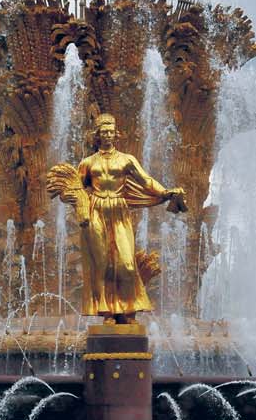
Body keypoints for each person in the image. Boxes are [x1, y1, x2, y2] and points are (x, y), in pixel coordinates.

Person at [50, 113, 184, 324]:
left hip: (119, 209)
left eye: (111, 132)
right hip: (96, 210)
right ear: (97, 135)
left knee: (126, 263)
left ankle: (129, 309)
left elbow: (146, 181)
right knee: (102, 264)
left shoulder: (126, 160)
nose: (108, 135)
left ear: (116, 134)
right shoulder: (87, 163)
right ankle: (107, 312)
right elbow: (77, 188)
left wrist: (165, 192)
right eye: (104, 132)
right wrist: (73, 200)